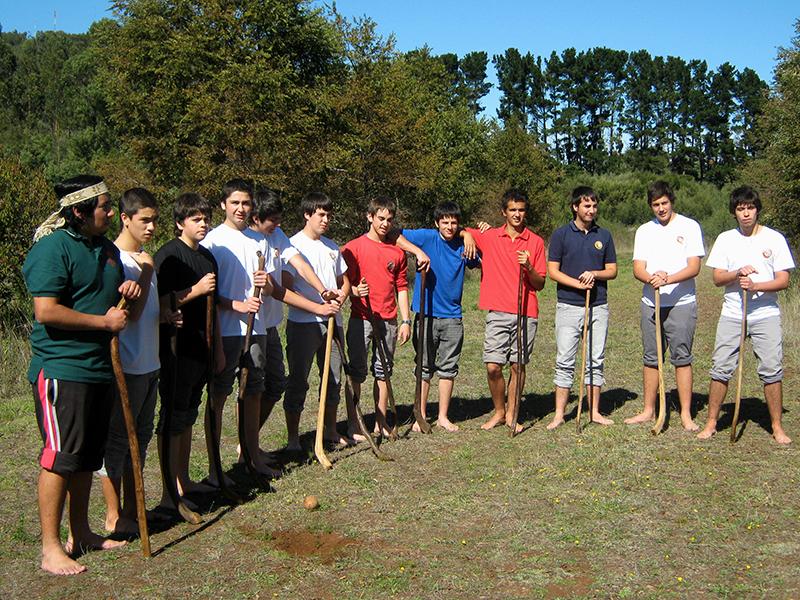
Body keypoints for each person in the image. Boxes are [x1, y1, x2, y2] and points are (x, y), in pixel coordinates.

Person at [23, 175, 140, 575]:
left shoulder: (105, 249)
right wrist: (102, 323)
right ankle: (51, 548)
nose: (111, 213)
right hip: (61, 367)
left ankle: (82, 532)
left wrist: (128, 296)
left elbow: (114, 313)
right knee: (60, 458)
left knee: (87, 457)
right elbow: (47, 311)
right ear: (78, 211)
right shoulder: (52, 249)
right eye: (105, 207)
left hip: (99, 368)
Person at [698, 186, 795, 444]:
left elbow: (783, 280)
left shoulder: (774, 239)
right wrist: (737, 274)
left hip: (765, 314)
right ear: (734, 212)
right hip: (732, 313)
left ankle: (776, 426)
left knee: (771, 369)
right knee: (720, 368)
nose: (745, 214)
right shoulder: (726, 239)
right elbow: (717, 278)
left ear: (757, 209)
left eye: (750, 208)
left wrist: (756, 286)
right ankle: (710, 423)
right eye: (740, 209)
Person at [247, 189, 343, 451]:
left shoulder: (277, 236)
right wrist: (317, 307)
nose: (279, 226)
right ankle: (251, 444)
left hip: (270, 325)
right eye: (273, 221)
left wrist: (323, 291)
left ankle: (249, 443)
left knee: (275, 383)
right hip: (249, 326)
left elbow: (301, 265)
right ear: (255, 217)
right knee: (256, 387)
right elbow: (277, 290)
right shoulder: (247, 241)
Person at [200, 178, 277, 480]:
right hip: (225, 330)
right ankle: (214, 467)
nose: (241, 209)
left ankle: (251, 456)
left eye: (246, 203)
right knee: (218, 396)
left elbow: (271, 287)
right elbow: (208, 295)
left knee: (253, 392)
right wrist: (237, 305)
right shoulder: (212, 242)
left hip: (255, 329)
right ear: (223, 205)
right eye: (235, 203)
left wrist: (264, 283)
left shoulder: (260, 241)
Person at [98, 188, 163, 535]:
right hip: (128, 364)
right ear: (125, 218)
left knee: (142, 436)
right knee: (119, 441)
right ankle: (113, 514)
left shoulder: (144, 258)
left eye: (154, 220)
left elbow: (150, 313)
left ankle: (134, 508)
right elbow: (130, 317)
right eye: (144, 220)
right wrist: (147, 273)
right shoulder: (117, 261)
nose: (151, 227)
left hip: (150, 361)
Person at [153, 193, 220, 509]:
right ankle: (168, 493)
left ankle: (183, 480)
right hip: (175, 350)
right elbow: (159, 304)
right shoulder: (168, 257)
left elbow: (214, 307)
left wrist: (217, 348)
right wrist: (194, 290)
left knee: (189, 415)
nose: (203, 223)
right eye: (196, 218)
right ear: (180, 222)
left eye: (205, 218)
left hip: (201, 348)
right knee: (172, 416)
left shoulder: (207, 258)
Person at [342, 196, 425, 437]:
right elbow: (344, 284)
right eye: (380, 218)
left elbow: (401, 287)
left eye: (389, 220)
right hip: (362, 318)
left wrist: (405, 320)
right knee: (356, 372)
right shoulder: (353, 248)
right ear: (369, 217)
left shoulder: (397, 252)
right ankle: (354, 423)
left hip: (388, 319)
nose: (385, 224)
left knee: (384, 371)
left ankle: (381, 422)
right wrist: (356, 291)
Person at [625, 181, 704, 431]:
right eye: (656, 204)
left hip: (681, 302)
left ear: (672, 201)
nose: (661, 208)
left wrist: (667, 278)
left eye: (664, 203)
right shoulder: (644, 231)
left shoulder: (689, 226)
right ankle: (649, 410)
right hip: (651, 302)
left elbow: (694, 267)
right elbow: (638, 267)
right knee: (651, 358)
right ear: (651, 206)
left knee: (682, 358)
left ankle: (686, 414)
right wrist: (651, 278)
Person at [466, 188, 546, 433]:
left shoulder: (535, 242)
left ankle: (512, 413)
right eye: (513, 210)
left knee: (518, 365)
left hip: (525, 311)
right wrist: (468, 236)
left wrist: (529, 266)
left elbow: (540, 283)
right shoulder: (489, 236)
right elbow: (459, 228)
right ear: (504, 212)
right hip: (497, 311)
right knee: (493, 365)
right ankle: (499, 411)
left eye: (521, 210)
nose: (517, 215)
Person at [394, 201, 478, 432]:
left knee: (448, 367)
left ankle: (442, 416)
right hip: (426, 314)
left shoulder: (463, 243)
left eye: (454, 222)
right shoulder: (427, 237)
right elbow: (394, 233)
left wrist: (468, 234)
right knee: (423, 366)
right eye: (445, 222)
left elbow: (480, 259)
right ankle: (420, 415)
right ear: (436, 223)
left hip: (452, 316)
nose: (449, 226)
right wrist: (417, 252)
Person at [546, 187, 617, 429]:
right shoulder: (561, 235)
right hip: (568, 305)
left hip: (598, 305)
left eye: (594, 206)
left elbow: (613, 270)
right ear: (575, 207)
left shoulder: (604, 235)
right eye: (587, 206)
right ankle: (559, 414)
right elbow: (553, 271)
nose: (591, 210)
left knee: (595, 359)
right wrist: (578, 283)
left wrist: (595, 274)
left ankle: (594, 411)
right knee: (565, 360)